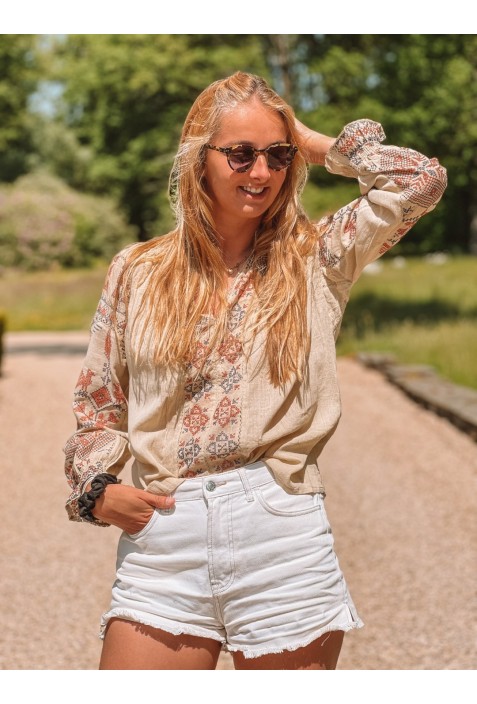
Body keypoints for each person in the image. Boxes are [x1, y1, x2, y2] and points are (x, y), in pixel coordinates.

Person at [63, 71, 447, 670]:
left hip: (282, 534)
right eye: (240, 153)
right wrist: (97, 491)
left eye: (277, 154)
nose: (261, 172)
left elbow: (421, 179)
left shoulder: (321, 256)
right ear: (200, 160)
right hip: (165, 536)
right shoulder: (137, 270)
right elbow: (98, 403)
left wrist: (315, 143)